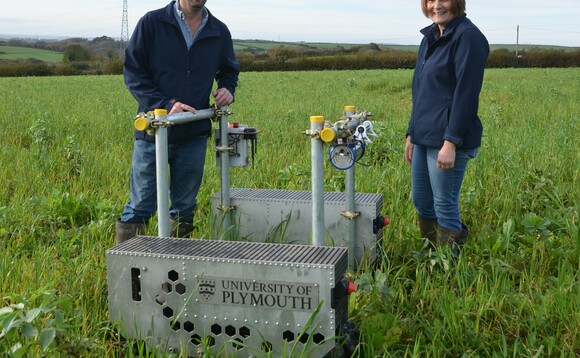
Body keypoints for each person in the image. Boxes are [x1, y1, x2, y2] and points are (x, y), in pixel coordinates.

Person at [116, 0, 239, 243]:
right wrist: (164, 104)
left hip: (193, 135)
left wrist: (227, 88)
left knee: (184, 208)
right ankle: (132, 277)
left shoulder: (218, 30)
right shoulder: (152, 23)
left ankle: (175, 272)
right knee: (141, 204)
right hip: (153, 132)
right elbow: (133, 72)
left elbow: (228, 70)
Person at [404, 0, 489, 256]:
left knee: (444, 204)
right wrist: (411, 133)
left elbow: (466, 94)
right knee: (422, 201)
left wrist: (451, 142)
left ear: (458, 2)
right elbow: (420, 90)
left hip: (448, 139)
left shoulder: (468, 38)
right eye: (430, 0)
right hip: (424, 135)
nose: (436, 5)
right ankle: (431, 255)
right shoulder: (430, 36)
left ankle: (447, 266)